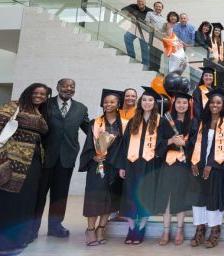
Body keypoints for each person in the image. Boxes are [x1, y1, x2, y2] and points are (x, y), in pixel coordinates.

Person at [33, 78, 89, 239]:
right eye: (65, 85)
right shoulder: (46, 104)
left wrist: (107, 137)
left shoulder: (80, 108)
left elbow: (90, 130)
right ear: (58, 87)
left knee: (60, 195)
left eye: (72, 86)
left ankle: (55, 227)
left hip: (67, 158)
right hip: (45, 157)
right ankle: (32, 228)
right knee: (39, 194)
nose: (68, 89)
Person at [0, 83, 50, 256]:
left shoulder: (41, 111)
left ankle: (19, 238)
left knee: (26, 201)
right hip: (12, 160)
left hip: (33, 163)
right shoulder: (14, 105)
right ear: (28, 92)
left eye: (43, 94)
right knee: (8, 200)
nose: (39, 96)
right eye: (36, 92)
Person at [78, 89, 127, 246]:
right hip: (97, 165)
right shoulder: (95, 122)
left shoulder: (124, 124)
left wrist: (122, 165)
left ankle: (101, 228)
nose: (108, 104)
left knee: (110, 198)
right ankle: (90, 229)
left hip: (115, 166)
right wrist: (93, 156)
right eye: (106, 102)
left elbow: (125, 147)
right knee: (94, 197)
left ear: (118, 104)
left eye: (112, 102)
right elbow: (88, 145)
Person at [117, 87, 161, 245]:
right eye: (144, 100)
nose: (147, 102)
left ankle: (141, 227)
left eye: (150, 100)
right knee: (129, 194)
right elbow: (124, 145)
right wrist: (122, 165)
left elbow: (163, 143)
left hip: (149, 164)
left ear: (154, 103)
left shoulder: (159, 121)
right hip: (131, 163)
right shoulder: (132, 120)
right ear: (140, 102)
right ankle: (131, 227)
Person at [155, 92, 197, 246]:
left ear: (188, 105)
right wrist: (171, 140)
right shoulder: (166, 121)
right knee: (167, 197)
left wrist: (185, 144)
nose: (181, 105)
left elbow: (195, 143)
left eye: (184, 103)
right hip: (168, 163)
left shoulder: (193, 122)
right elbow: (158, 142)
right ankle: (166, 230)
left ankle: (179, 229)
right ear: (174, 104)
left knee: (180, 197)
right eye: (178, 102)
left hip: (183, 164)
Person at [190, 88, 224, 249]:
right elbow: (195, 144)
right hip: (199, 165)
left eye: (218, 102)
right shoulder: (202, 123)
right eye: (212, 102)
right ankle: (200, 228)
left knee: (213, 198)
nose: (215, 105)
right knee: (198, 198)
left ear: (223, 105)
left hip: (217, 167)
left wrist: (211, 164)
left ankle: (215, 229)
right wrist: (194, 162)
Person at [123, 0, 153, 68]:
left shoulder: (150, 11)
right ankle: (132, 57)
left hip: (144, 31)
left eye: (142, 1)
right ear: (137, 2)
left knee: (144, 47)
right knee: (127, 37)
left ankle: (145, 64)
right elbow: (123, 10)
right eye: (139, 1)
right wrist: (130, 14)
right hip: (134, 28)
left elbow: (153, 22)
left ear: (145, 3)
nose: (140, 3)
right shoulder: (133, 6)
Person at [145, 1, 166, 71]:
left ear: (162, 8)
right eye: (157, 6)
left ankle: (157, 68)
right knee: (152, 50)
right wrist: (154, 28)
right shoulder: (150, 13)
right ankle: (151, 67)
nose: (158, 8)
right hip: (152, 34)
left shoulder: (163, 18)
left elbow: (164, 29)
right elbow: (147, 22)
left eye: (160, 7)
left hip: (160, 37)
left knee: (159, 52)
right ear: (154, 7)